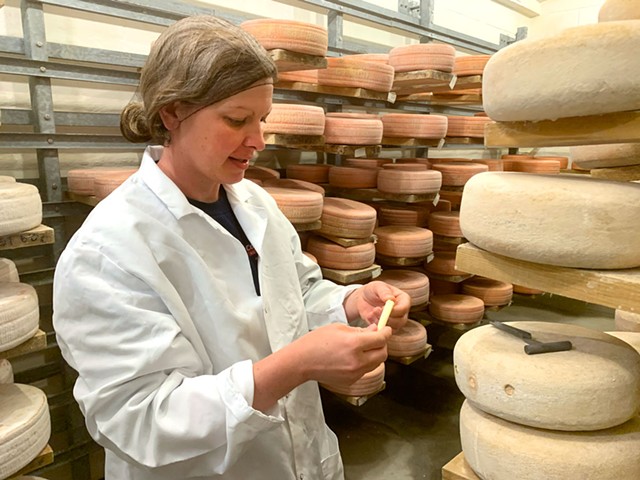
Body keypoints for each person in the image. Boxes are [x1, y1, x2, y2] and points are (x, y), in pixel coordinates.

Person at [52, 14, 410, 480]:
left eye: (262, 119)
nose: (258, 141)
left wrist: (348, 302)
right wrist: (293, 367)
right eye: (237, 120)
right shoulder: (107, 251)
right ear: (172, 113)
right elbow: (141, 420)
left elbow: (294, 295)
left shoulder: (255, 204)